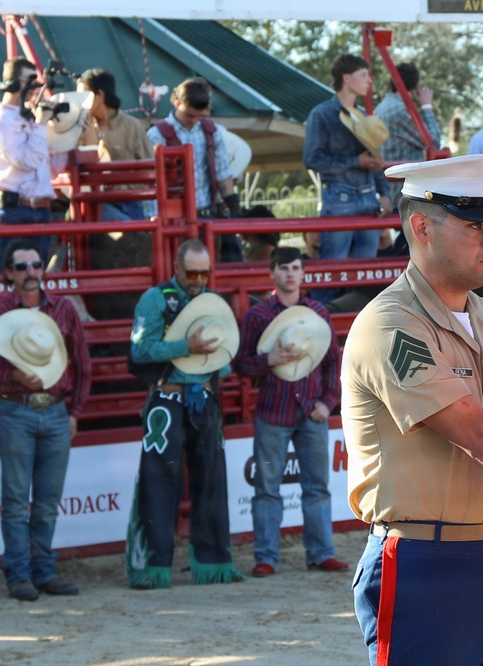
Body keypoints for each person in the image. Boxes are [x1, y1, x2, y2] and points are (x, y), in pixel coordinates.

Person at [341, 152, 483, 665]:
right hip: (424, 558)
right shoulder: (391, 324)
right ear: (422, 226)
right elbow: (482, 435)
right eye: (474, 225)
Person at [0, 239, 91, 601]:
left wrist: (75, 412)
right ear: (8, 274)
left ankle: (42, 570)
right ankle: (20, 573)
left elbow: (83, 365)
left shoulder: (64, 309)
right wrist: (12, 378)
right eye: (22, 267)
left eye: (36, 265)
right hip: (16, 408)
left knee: (48, 499)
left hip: (54, 410)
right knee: (18, 499)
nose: (31, 272)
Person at [125, 239, 244, 589]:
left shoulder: (213, 300)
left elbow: (225, 351)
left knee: (211, 479)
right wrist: (186, 347)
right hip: (167, 396)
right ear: (176, 268)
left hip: (204, 397)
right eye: (192, 272)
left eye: (204, 272)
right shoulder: (156, 298)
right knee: (158, 480)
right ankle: (151, 566)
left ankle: (213, 563)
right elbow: (140, 350)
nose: (198, 279)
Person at [234, 246, 347, 578]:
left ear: (302, 273)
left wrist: (328, 402)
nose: (290, 273)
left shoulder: (318, 312)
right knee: (268, 488)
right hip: (273, 412)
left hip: (309, 410)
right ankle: (267, 556)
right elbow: (240, 364)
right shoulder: (257, 316)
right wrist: (268, 361)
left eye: (295, 267)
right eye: (284, 268)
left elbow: (332, 363)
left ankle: (320, 552)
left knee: (316, 486)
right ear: (272, 272)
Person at [303, 53, 392, 302]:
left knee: (364, 278)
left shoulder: (360, 114)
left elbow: (375, 158)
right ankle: (325, 327)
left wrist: (384, 192)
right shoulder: (322, 115)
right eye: (363, 74)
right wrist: (358, 163)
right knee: (332, 274)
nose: (368, 80)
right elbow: (312, 159)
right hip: (343, 198)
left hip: (358, 197)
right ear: (346, 77)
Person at [0, 57, 65, 268]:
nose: (35, 86)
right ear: (14, 82)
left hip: (41, 209)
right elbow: (26, 161)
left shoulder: (32, 118)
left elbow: (53, 167)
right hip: (14, 209)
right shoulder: (2, 120)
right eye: (30, 79)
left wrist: (68, 131)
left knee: (38, 274)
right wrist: (41, 123)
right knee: (11, 273)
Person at [147, 78, 243, 261]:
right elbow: (153, 181)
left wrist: (233, 204)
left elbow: (222, 171)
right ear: (177, 104)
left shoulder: (210, 131)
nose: (195, 121)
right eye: (190, 116)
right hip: (176, 219)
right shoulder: (158, 135)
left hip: (208, 213)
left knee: (230, 260)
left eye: (200, 116)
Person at [77, 68, 154, 221]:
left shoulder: (132, 126)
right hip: (93, 202)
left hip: (130, 203)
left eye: (83, 95)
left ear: (99, 95)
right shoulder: (79, 125)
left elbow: (151, 170)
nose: (79, 101)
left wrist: (123, 188)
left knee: (134, 239)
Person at [373, 62, 441, 209]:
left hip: (392, 189)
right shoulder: (399, 110)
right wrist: (427, 107)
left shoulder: (382, 107)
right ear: (416, 87)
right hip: (404, 194)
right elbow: (433, 143)